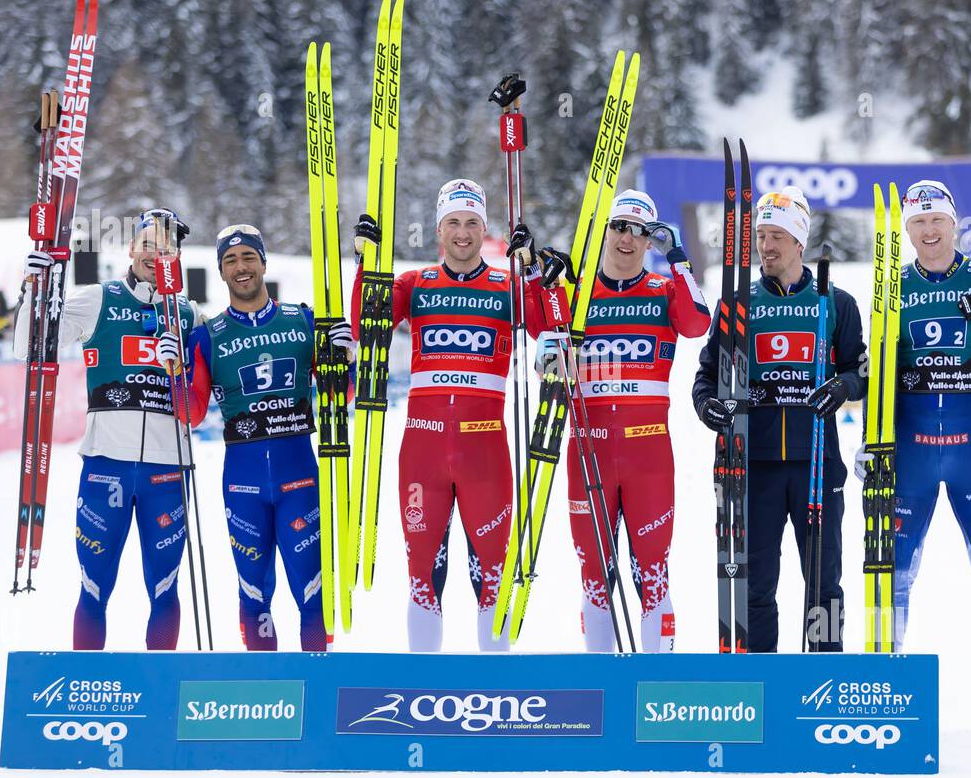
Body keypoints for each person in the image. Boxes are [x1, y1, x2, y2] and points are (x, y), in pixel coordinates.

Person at [351, 179, 552, 651]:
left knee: (493, 574)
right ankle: (425, 687)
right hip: (422, 451)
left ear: (484, 230)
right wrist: (367, 265)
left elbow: (549, 326)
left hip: (485, 454)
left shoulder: (507, 286)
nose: (463, 233)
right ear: (439, 230)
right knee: (423, 574)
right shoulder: (414, 283)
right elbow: (366, 326)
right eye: (453, 223)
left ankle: (494, 688)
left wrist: (534, 271)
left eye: (472, 223)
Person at [857, 179, 971, 734]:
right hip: (910, 454)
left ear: (955, 225)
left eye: (938, 222)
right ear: (906, 231)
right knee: (896, 574)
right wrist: (869, 441)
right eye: (917, 225)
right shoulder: (892, 288)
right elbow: (877, 376)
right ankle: (887, 683)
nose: (928, 233)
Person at [13, 208, 200, 650]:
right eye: (148, 244)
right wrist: (33, 293)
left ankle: (161, 689)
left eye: (166, 247)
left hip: (169, 471)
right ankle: (88, 687)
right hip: (105, 468)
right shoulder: (100, 297)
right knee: (94, 588)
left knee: (165, 588)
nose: (156, 255)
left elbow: (207, 395)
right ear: (132, 247)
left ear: (177, 256)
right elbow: (28, 347)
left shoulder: (192, 316)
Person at [692, 187, 866, 652]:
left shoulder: (837, 303)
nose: (766, 246)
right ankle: (761, 683)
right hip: (756, 467)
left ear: (800, 242)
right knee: (755, 587)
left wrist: (844, 387)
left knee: (824, 587)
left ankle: (822, 677)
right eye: (761, 235)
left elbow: (859, 370)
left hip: (817, 465)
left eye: (777, 236)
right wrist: (706, 405)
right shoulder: (738, 305)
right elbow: (707, 375)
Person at [182, 224, 353, 651]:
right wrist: (177, 368)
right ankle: (267, 690)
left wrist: (346, 359)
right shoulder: (207, 336)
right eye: (230, 260)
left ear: (263, 263)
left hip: (301, 479)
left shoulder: (303, 320)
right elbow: (191, 412)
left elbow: (343, 393)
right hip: (243, 484)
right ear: (221, 272)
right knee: (253, 589)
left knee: (312, 588)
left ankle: (316, 682)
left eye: (248, 258)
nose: (241, 268)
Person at [561, 189, 710, 652]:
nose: (627, 238)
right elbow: (530, 322)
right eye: (620, 227)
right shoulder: (575, 292)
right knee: (593, 572)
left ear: (650, 241)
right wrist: (532, 267)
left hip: (648, 455)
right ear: (605, 231)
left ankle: (658, 685)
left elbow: (696, 323)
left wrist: (679, 259)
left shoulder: (664, 291)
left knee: (653, 570)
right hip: (589, 451)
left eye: (640, 231)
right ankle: (601, 684)